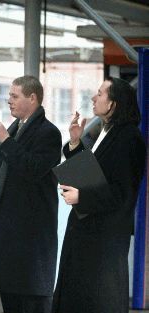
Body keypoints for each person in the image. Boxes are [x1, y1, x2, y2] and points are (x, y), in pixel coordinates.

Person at [53, 77, 146, 313]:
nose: (94, 98)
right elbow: (94, 175)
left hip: (103, 243)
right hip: (90, 236)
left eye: (100, 93)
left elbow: (122, 193)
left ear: (113, 104)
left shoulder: (129, 139)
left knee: (95, 301)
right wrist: (75, 142)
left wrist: (82, 197)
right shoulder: (109, 132)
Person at [0, 75, 62, 313]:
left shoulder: (48, 133)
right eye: (9, 96)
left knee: (32, 301)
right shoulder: (17, 128)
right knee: (12, 298)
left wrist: (5, 140)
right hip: (10, 234)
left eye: (15, 96)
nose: (9, 101)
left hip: (30, 236)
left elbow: (32, 168)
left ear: (32, 98)